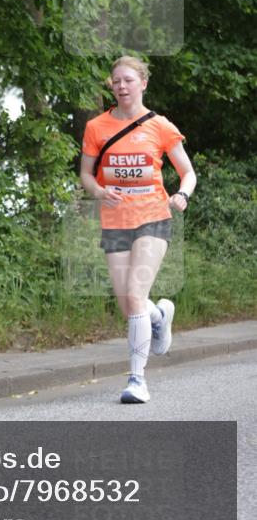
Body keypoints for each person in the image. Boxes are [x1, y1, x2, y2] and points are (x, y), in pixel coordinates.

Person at [79, 56, 196, 404]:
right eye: (116, 81)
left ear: (143, 83)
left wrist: (182, 194)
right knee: (129, 304)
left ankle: (136, 380)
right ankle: (160, 315)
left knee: (134, 292)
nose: (121, 86)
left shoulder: (159, 126)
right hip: (114, 221)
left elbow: (187, 171)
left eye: (128, 80)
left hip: (153, 217)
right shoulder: (96, 127)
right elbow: (86, 174)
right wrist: (99, 191)